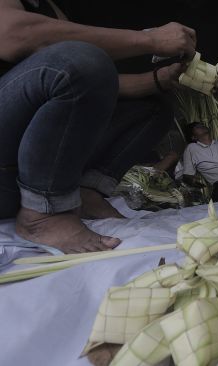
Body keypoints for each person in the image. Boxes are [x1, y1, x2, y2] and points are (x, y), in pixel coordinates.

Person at [0, 0, 197, 253]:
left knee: (152, 108)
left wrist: (160, 79)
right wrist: (151, 39)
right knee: (81, 59)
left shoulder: (48, 6)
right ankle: (41, 214)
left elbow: (94, 79)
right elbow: (14, 35)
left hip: (29, 169)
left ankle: (85, 191)